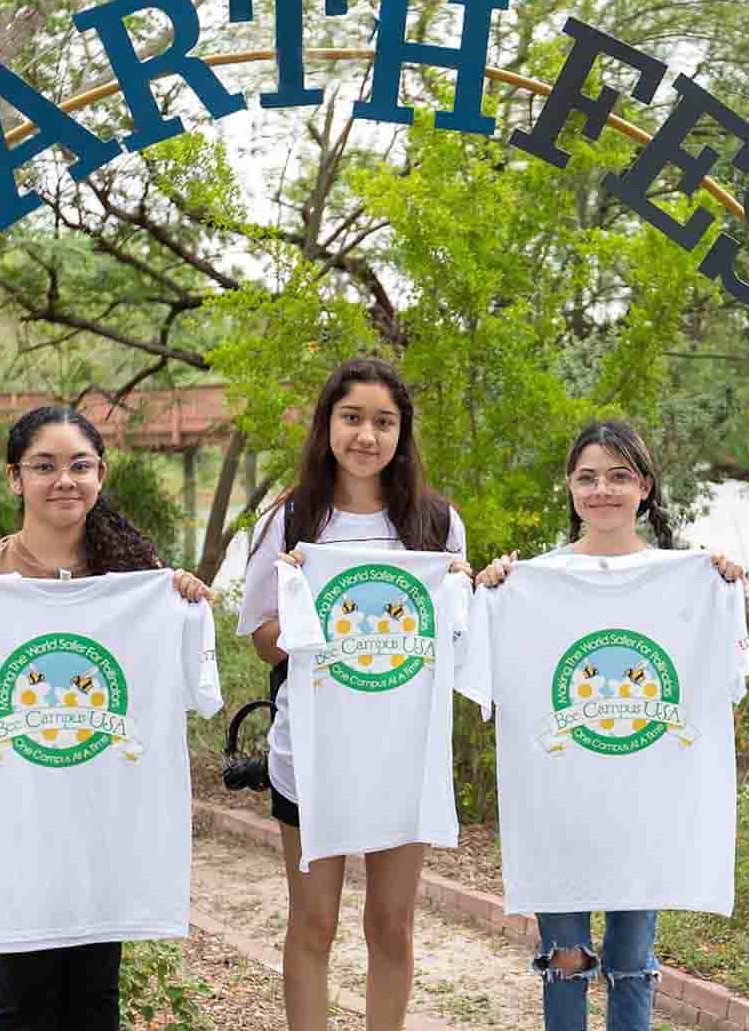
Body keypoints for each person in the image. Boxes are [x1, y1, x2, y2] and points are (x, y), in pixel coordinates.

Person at [0, 404, 208, 1031]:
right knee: (23, 1006)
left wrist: (182, 602)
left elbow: (181, 689)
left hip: (103, 830)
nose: (63, 480)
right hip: (15, 831)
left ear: (100, 475)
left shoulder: (133, 580)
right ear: (14, 478)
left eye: (79, 466)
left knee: (96, 1003)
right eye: (44, 466)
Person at [475, 419, 742, 1031]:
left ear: (645, 487)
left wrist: (720, 586)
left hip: (644, 807)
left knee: (631, 958)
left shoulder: (692, 580)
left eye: (619, 477)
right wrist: (487, 595)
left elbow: (719, 677)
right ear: (570, 489)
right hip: (559, 807)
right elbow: (485, 673)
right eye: (587, 477)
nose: (603, 491)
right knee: (566, 958)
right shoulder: (530, 584)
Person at [236, 357, 471, 1030]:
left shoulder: (436, 525)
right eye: (352, 418)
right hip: (311, 758)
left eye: (383, 421)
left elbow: (450, 643)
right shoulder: (290, 519)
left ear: (402, 434)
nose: (366, 435)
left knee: (392, 927)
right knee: (313, 924)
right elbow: (263, 638)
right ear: (327, 425)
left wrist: (463, 590)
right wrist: (305, 607)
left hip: (403, 756)